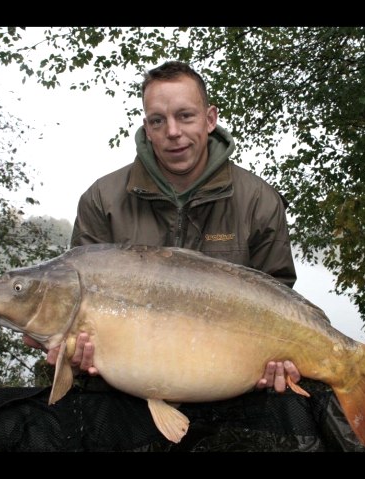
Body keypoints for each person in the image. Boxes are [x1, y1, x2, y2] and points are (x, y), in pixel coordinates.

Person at [24, 60, 304, 448]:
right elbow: (76, 301)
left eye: (185, 116)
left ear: (209, 119)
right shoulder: (103, 199)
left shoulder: (259, 201)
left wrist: (281, 362)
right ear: (146, 126)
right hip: (122, 404)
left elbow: (279, 295)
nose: (173, 132)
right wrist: (71, 353)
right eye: (157, 121)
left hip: (235, 392)